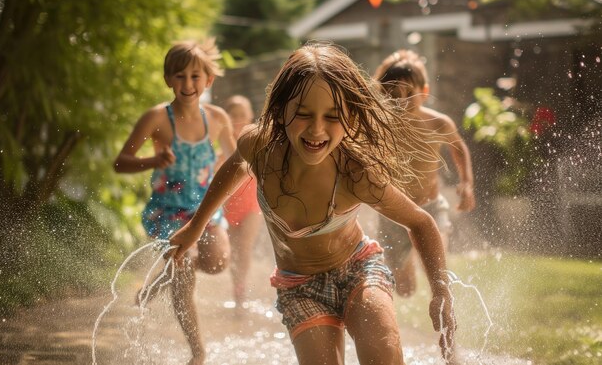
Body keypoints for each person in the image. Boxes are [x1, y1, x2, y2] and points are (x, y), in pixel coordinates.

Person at [169, 42, 457, 365]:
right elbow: (234, 167)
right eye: (303, 114)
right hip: (298, 285)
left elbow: (421, 222)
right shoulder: (261, 148)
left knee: (383, 352)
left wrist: (441, 291)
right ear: (281, 110)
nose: (317, 129)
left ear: (349, 116)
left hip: (358, 270)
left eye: (332, 117)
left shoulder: (355, 173)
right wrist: (195, 227)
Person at [113, 39, 235, 365]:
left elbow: (237, 162)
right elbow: (120, 162)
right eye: (179, 76)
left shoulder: (218, 118)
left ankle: (156, 282)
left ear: (208, 81)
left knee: (216, 262)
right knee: (184, 272)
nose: (188, 84)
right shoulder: (157, 118)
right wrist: (152, 162)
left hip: (206, 211)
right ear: (169, 79)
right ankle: (198, 353)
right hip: (168, 212)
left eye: (196, 77)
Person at [373, 49, 475, 298]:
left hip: (430, 207)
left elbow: (459, 149)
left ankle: (444, 318)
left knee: (438, 277)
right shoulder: (382, 125)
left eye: (409, 94)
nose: (401, 101)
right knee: (405, 289)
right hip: (393, 213)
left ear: (424, 92)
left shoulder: (438, 123)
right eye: (392, 95)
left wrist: (467, 183)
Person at [221, 95, 263, 307]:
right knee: (232, 250)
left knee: (244, 247)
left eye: (242, 114)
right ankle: (235, 283)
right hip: (228, 206)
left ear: (250, 116)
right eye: (233, 114)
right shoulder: (223, 141)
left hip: (251, 205)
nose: (238, 118)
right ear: (227, 117)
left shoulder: (256, 140)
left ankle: (241, 289)